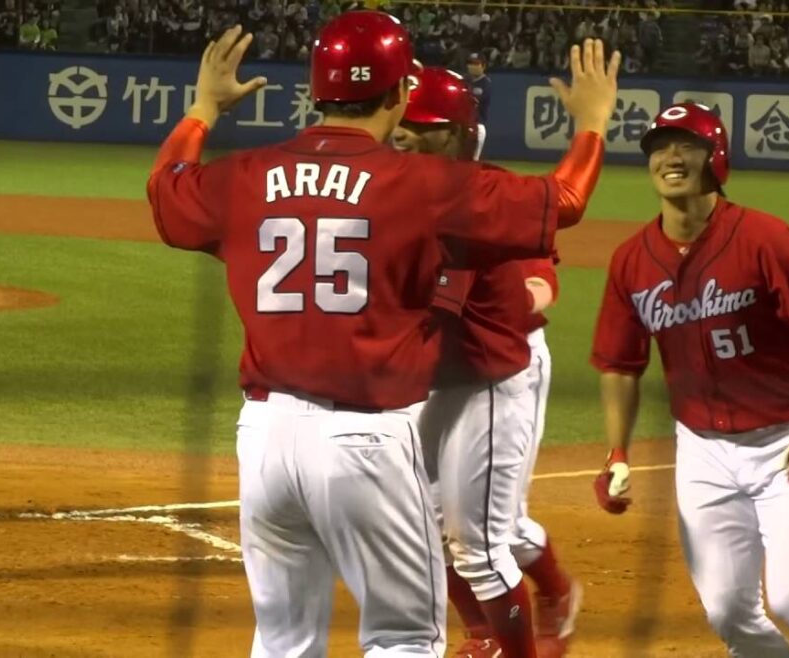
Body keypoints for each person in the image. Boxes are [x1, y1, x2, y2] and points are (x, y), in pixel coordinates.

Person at [145, 14, 621, 657]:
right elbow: (563, 201)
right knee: (403, 639)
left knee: (283, 640)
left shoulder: (246, 175)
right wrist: (592, 123)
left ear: (316, 92)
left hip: (262, 440)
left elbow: (166, 190)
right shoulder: (424, 185)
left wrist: (202, 109)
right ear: (399, 97)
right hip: (366, 439)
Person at [588, 102, 789, 658]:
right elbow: (620, 364)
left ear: (715, 158)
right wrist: (616, 453)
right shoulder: (632, 261)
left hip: (785, 438)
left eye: (686, 145)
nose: (670, 158)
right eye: (658, 147)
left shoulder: (764, 239)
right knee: (728, 612)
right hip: (702, 453)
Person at [393, 66, 581, 658]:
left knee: (489, 530)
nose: (403, 137)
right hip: (435, 371)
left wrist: (485, 299)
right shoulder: (389, 194)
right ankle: (481, 632)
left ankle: (555, 593)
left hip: (504, 367)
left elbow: (539, 290)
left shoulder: (493, 197)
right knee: (422, 516)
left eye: (420, 127)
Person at [465, 52, 491, 160]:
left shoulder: (485, 83)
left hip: (477, 125)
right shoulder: (463, 80)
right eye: (470, 63)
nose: (472, 66)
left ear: (483, 66)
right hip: (462, 125)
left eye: (476, 63)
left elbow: (476, 102)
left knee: (473, 160)